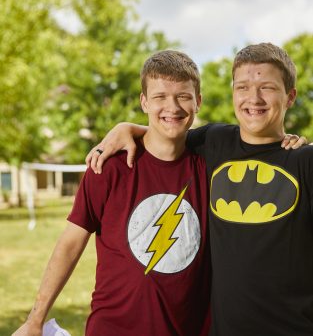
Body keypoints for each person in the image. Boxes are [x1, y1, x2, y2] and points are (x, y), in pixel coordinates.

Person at [86, 43, 313, 336]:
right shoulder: (215, 142)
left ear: (290, 96)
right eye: (242, 87)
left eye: (267, 87)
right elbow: (168, 129)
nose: (253, 98)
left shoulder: (306, 161)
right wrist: (124, 127)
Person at [12, 50, 212, 336]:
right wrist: (35, 320)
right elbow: (70, 244)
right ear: (144, 102)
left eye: (183, 96)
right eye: (159, 97)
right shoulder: (108, 167)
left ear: (198, 101)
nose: (173, 106)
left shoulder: (211, 169)